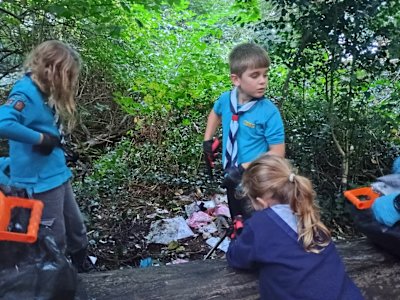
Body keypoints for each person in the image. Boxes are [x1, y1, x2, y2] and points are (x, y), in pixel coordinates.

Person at [0, 40, 89, 271]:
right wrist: (40, 139)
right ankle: (54, 277)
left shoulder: (43, 91)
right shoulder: (25, 92)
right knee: (53, 234)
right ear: (52, 69)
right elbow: (3, 123)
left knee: (75, 225)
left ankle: (81, 262)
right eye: (67, 74)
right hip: (38, 182)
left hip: (56, 173)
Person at [226, 154, 363, 300]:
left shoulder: (260, 224)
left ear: (261, 202)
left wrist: (240, 234)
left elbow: (236, 258)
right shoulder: (308, 216)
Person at [203, 43, 285, 219]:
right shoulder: (226, 100)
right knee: (237, 222)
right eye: (255, 76)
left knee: (257, 226)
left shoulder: (269, 112)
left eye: (265, 75)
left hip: (258, 181)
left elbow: (278, 152)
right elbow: (215, 113)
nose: (262, 81)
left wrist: (242, 169)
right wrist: (207, 139)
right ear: (236, 79)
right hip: (231, 177)